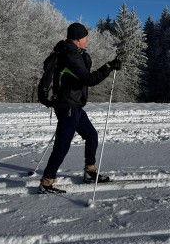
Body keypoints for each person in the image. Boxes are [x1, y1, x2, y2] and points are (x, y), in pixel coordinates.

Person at [39, 22, 122, 194]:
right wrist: (109, 66)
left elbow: (78, 77)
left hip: (74, 105)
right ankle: (47, 182)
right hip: (67, 105)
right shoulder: (69, 55)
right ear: (78, 39)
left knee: (91, 135)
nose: (87, 39)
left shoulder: (72, 53)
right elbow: (89, 80)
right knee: (62, 145)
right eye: (85, 36)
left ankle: (89, 173)